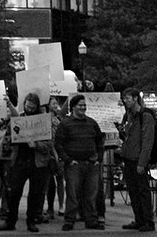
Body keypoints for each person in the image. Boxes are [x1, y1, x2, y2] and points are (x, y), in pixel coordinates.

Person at [0, 92, 53, 233]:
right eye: (28, 106)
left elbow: (49, 145)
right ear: (24, 105)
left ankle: (31, 221)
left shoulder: (43, 122)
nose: (30, 109)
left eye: (33, 108)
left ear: (37, 107)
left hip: (37, 163)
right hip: (19, 161)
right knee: (13, 193)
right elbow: (9, 136)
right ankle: (10, 221)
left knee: (35, 194)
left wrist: (36, 145)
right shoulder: (18, 119)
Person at [55, 94, 104, 231]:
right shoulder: (65, 124)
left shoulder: (92, 123)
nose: (83, 108)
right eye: (80, 105)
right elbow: (58, 144)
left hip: (91, 164)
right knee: (72, 194)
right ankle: (70, 220)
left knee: (91, 195)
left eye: (84, 105)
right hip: (73, 165)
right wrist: (68, 160)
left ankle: (91, 220)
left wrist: (98, 159)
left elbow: (99, 141)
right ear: (73, 107)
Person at [119, 87, 155, 232]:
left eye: (127, 98)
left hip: (138, 160)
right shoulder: (129, 115)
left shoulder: (145, 116)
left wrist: (142, 162)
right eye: (124, 98)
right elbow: (128, 137)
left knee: (143, 192)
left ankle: (148, 221)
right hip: (128, 158)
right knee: (133, 192)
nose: (125, 101)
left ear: (135, 98)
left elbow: (147, 141)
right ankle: (139, 219)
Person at [44, 96, 65, 221]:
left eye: (56, 103)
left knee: (60, 180)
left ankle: (62, 205)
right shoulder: (45, 118)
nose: (55, 105)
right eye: (53, 103)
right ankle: (50, 206)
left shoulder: (60, 118)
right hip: (49, 151)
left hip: (59, 149)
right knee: (50, 180)